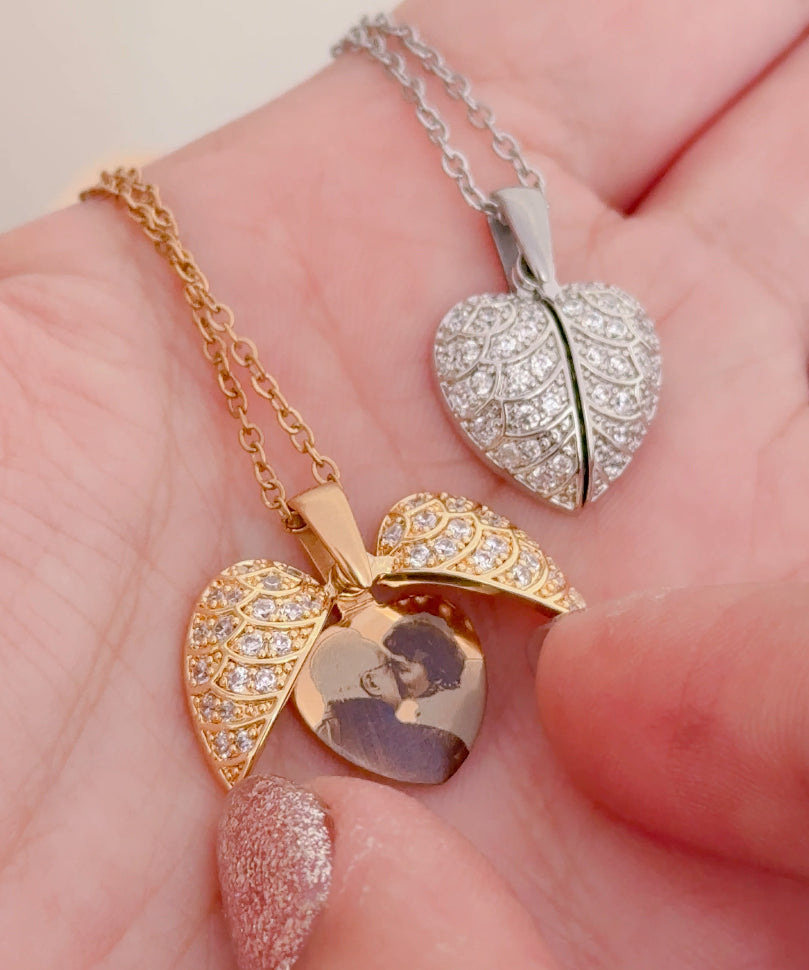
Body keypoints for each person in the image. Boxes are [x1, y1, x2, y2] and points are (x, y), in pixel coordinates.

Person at [3, 0, 809, 967]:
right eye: (402, 673)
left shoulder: (403, 667)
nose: (395, 679)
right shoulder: (343, 692)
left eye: (408, 675)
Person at [316, 616, 470, 784]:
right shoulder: (437, 746)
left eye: (399, 667)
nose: (396, 677)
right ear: (372, 683)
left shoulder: (320, 736)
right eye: (389, 666)